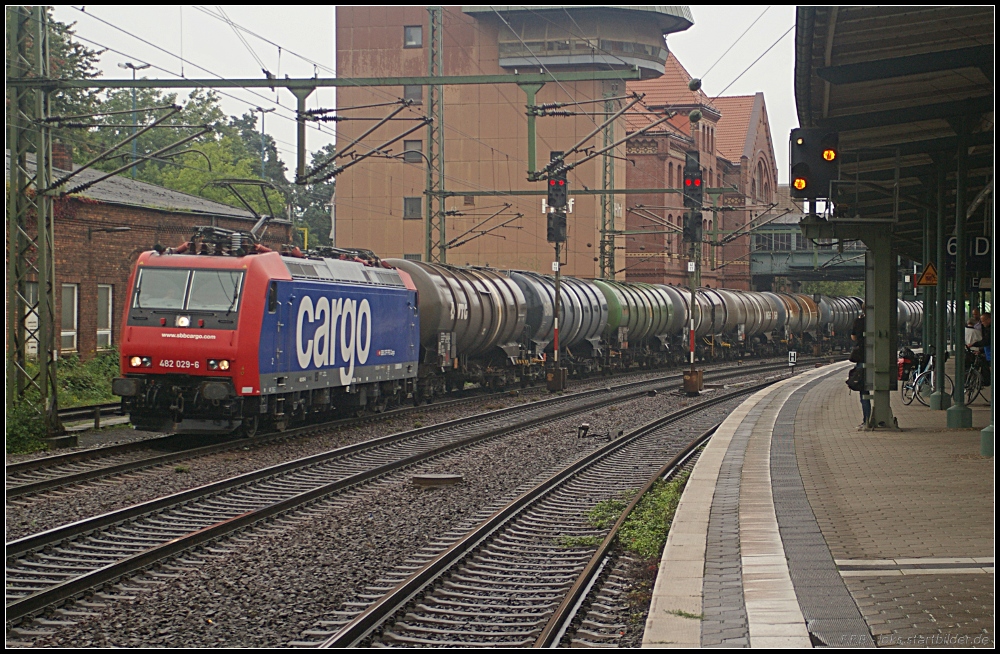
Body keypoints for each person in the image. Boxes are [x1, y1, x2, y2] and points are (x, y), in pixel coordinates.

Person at [851, 312, 870, 429]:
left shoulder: (859, 321)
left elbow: (853, 337)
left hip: (862, 358)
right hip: (879, 358)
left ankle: (866, 419)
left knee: (863, 390)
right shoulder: (879, 320)